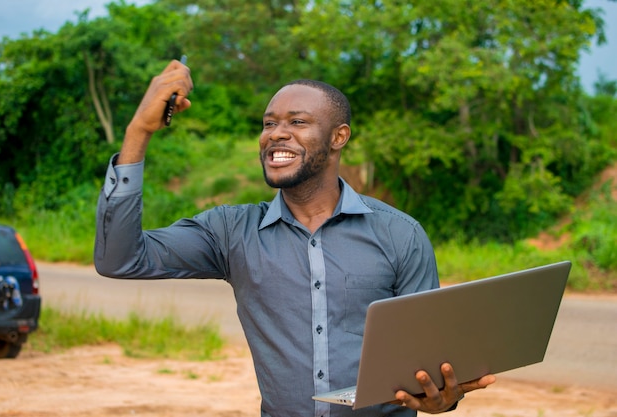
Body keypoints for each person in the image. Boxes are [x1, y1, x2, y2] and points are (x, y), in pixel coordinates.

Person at [94, 58, 495, 417]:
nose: (276, 134)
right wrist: (139, 131)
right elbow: (120, 259)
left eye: (297, 122)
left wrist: (444, 399)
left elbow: (431, 359)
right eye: (269, 123)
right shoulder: (231, 232)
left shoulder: (399, 234)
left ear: (339, 137)